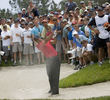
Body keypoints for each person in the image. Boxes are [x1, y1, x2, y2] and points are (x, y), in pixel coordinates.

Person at [34, 28, 60, 95]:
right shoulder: (39, 45)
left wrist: (55, 35)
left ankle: (55, 91)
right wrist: (52, 33)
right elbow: (47, 39)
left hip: (55, 58)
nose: (39, 39)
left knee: (55, 75)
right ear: (36, 41)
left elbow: (54, 42)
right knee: (50, 75)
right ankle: (52, 88)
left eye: (39, 38)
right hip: (49, 60)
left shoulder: (45, 41)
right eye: (37, 39)